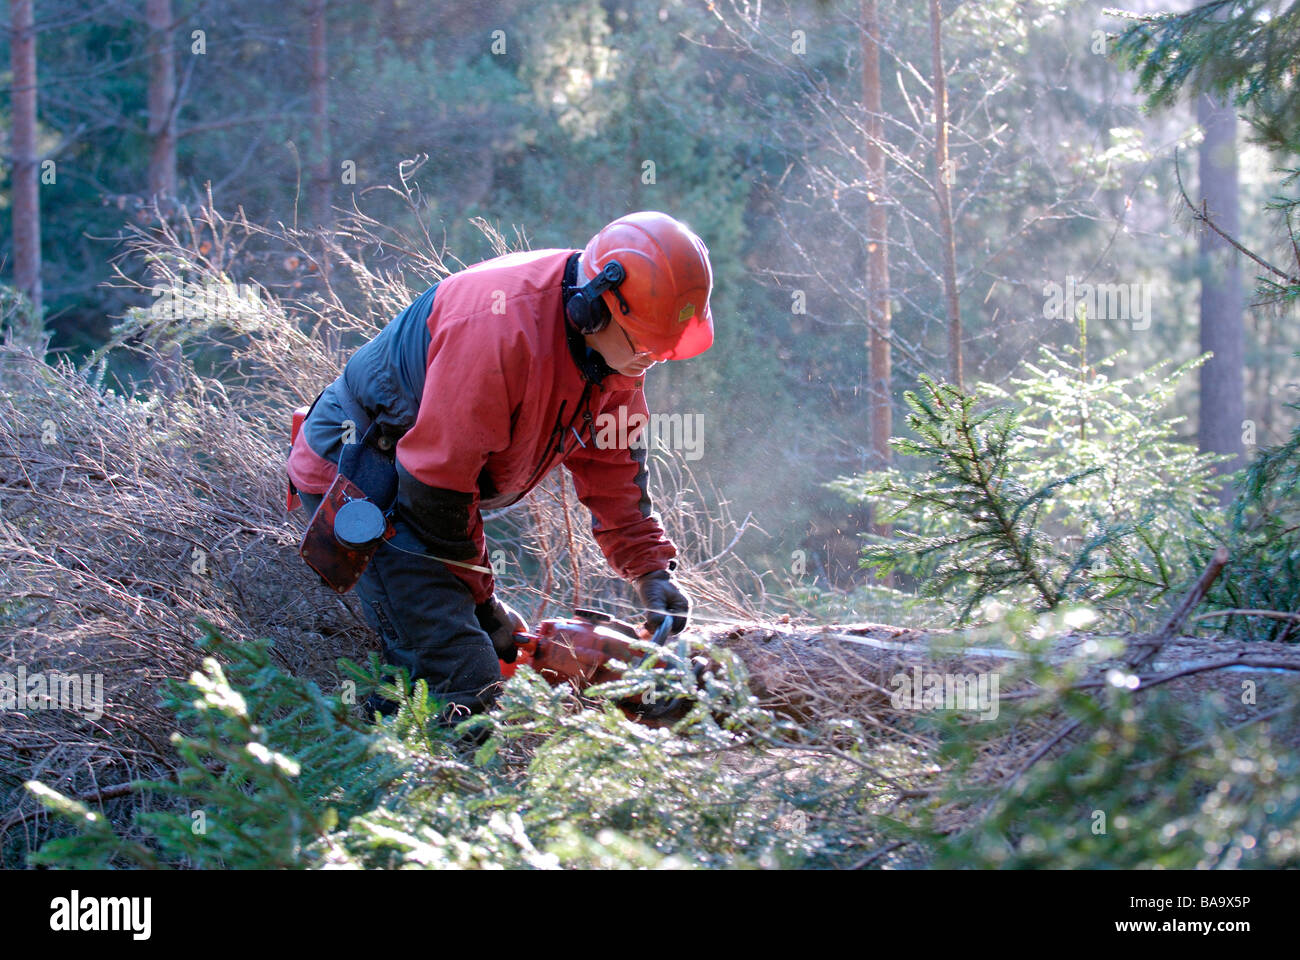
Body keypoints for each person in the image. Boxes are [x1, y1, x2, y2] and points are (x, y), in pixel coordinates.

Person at [286, 210, 714, 720]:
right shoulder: (498, 331)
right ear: (592, 308)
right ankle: (388, 778)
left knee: (455, 646)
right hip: (370, 470)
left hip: (431, 478)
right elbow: (435, 493)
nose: (653, 359)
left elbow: (614, 465)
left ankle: (377, 730)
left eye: (661, 348)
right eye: (646, 343)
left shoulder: (617, 357)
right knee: (459, 676)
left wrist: (649, 569)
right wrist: (484, 606)